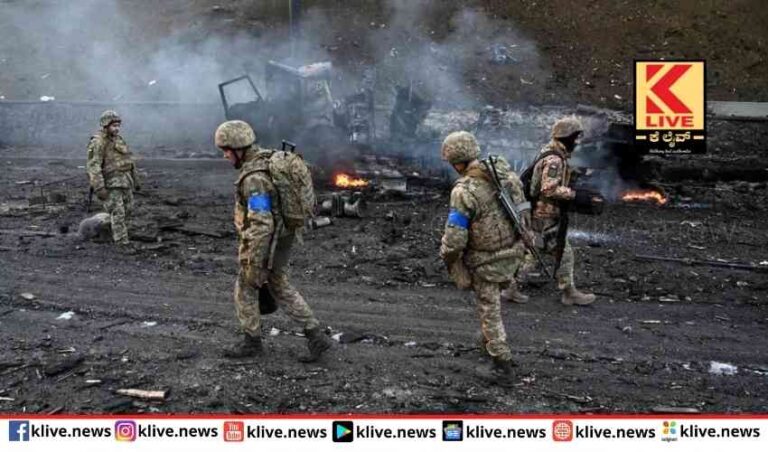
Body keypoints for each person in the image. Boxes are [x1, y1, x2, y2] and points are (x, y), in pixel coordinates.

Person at [215, 120, 332, 362]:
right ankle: (315, 335)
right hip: (284, 235)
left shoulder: (254, 179)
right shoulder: (267, 159)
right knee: (278, 283)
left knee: (246, 285)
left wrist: (253, 260)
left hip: (269, 239)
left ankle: (252, 342)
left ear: (239, 148)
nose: (225, 156)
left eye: (226, 150)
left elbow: (261, 223)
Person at [439, 130, 530, 383]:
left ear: (457, 161)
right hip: (513, 253)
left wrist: (447, 256)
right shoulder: (506, 176)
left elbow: (455, 237)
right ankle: (488, 342)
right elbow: (524, 211)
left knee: (489, 309)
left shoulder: (464, 191)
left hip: (485, 261)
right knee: (492, 305)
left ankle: (502, 364)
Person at [508, 117, 595, 306]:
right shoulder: (555, 159)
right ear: (567, 137)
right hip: (545, 215)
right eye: (575, 137)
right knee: (558, 251)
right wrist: (574, 195)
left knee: (539, 252)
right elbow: (549, 188)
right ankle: (568, 292)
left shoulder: (550, 152)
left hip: (541, 214)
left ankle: (512, 287)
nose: (577, 142)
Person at [86, 110, 140, 246]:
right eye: (113, 125)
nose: (116, 128)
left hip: (125, 181)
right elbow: (94, 166)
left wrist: (136, 180)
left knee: (129, 210)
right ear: (105, 125)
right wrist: (99, 187)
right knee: (118, 213)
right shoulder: (98, 142)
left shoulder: (119, 139)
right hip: (110, 183)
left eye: (118, 125)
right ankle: (122, 243)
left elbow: (129, 161)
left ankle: (104, 229)